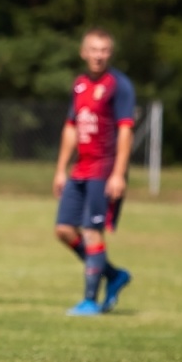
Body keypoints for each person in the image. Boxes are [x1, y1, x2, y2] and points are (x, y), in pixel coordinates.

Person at [53, 28, 135, 316]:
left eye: (104, 50)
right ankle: (113, 275)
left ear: (110, 54)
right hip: (80, 169)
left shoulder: (119, 85)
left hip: (105, 169)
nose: (98, 55)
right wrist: (61, 169)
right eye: (93, 49)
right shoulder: (79, 85)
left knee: (91, 232)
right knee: (64, 230)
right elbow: (71, 128)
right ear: (83, 52)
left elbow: (126, 130)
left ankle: (90, 300)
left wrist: (118, 174)